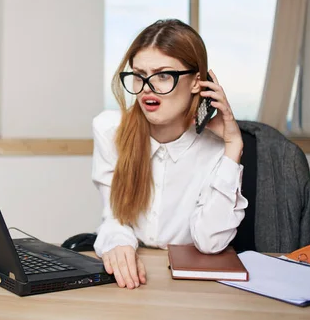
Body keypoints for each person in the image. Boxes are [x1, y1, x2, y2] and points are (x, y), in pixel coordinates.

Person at [92, 19, 248, 289]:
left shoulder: (215, 148)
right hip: (132, 281)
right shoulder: (109, 130)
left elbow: (211, 242)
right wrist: (118, 243)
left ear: (197, 82)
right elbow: (114, 216)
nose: (147, 87)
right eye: (139, 75)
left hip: (192, 286)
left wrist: (233, 145)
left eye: (163, 75)